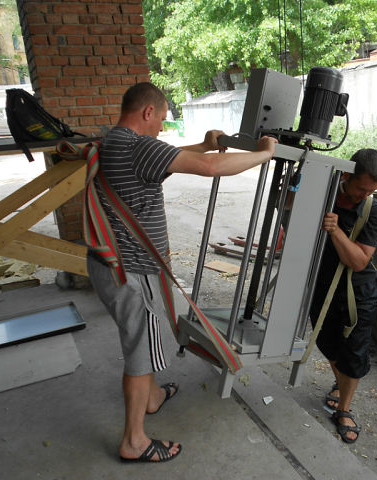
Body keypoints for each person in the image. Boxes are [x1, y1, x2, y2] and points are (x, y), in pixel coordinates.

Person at [86, 82, 277, 463]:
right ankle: (134, 441)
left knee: (146, 336)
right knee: (139, 351)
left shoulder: (114, 142)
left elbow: (170, 157)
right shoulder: (137, 145)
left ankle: (153, 398)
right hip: (131, 272)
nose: (161, 127)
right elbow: (209, 168)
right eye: (160, 119)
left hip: (114, 266)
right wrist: (263, 155)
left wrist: (204, 144)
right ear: (147, 113)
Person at [309, 148, 377, 444]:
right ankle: (340, 385)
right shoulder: (325, 193)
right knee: (329, 344)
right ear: (346, 175)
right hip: (322, 286)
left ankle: (344, 409)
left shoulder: (372, 211)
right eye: (360, 188)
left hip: (358, 293)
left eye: (372, 190)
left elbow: (359, 261)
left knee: (353, 353)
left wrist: (336, 231)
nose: (363, 195)